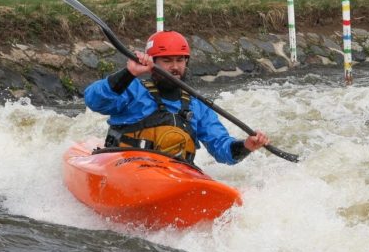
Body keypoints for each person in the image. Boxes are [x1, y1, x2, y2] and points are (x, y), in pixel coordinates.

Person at [84, 30, 269, 164]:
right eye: (167, 60)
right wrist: (128, 73)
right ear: (152, 62)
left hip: (174, 173)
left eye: (180, 60)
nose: (175, 67)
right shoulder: (132, 90)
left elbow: (221, 149)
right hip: (126, 166)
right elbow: (94, 101)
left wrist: (246, 146)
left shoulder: (197, 105)